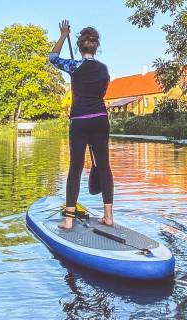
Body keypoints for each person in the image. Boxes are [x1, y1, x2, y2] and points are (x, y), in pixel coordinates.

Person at [48, 19, 113, 229]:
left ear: (79, 46)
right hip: (100, 119)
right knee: (104, 166)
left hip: (80, 121)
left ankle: (68, 220)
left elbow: (53, 57)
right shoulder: (104, 70)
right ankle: (108, 217)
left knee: (75, 168)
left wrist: (63, 36)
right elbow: (103, 91)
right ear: (96, 46)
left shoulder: (74, 66)